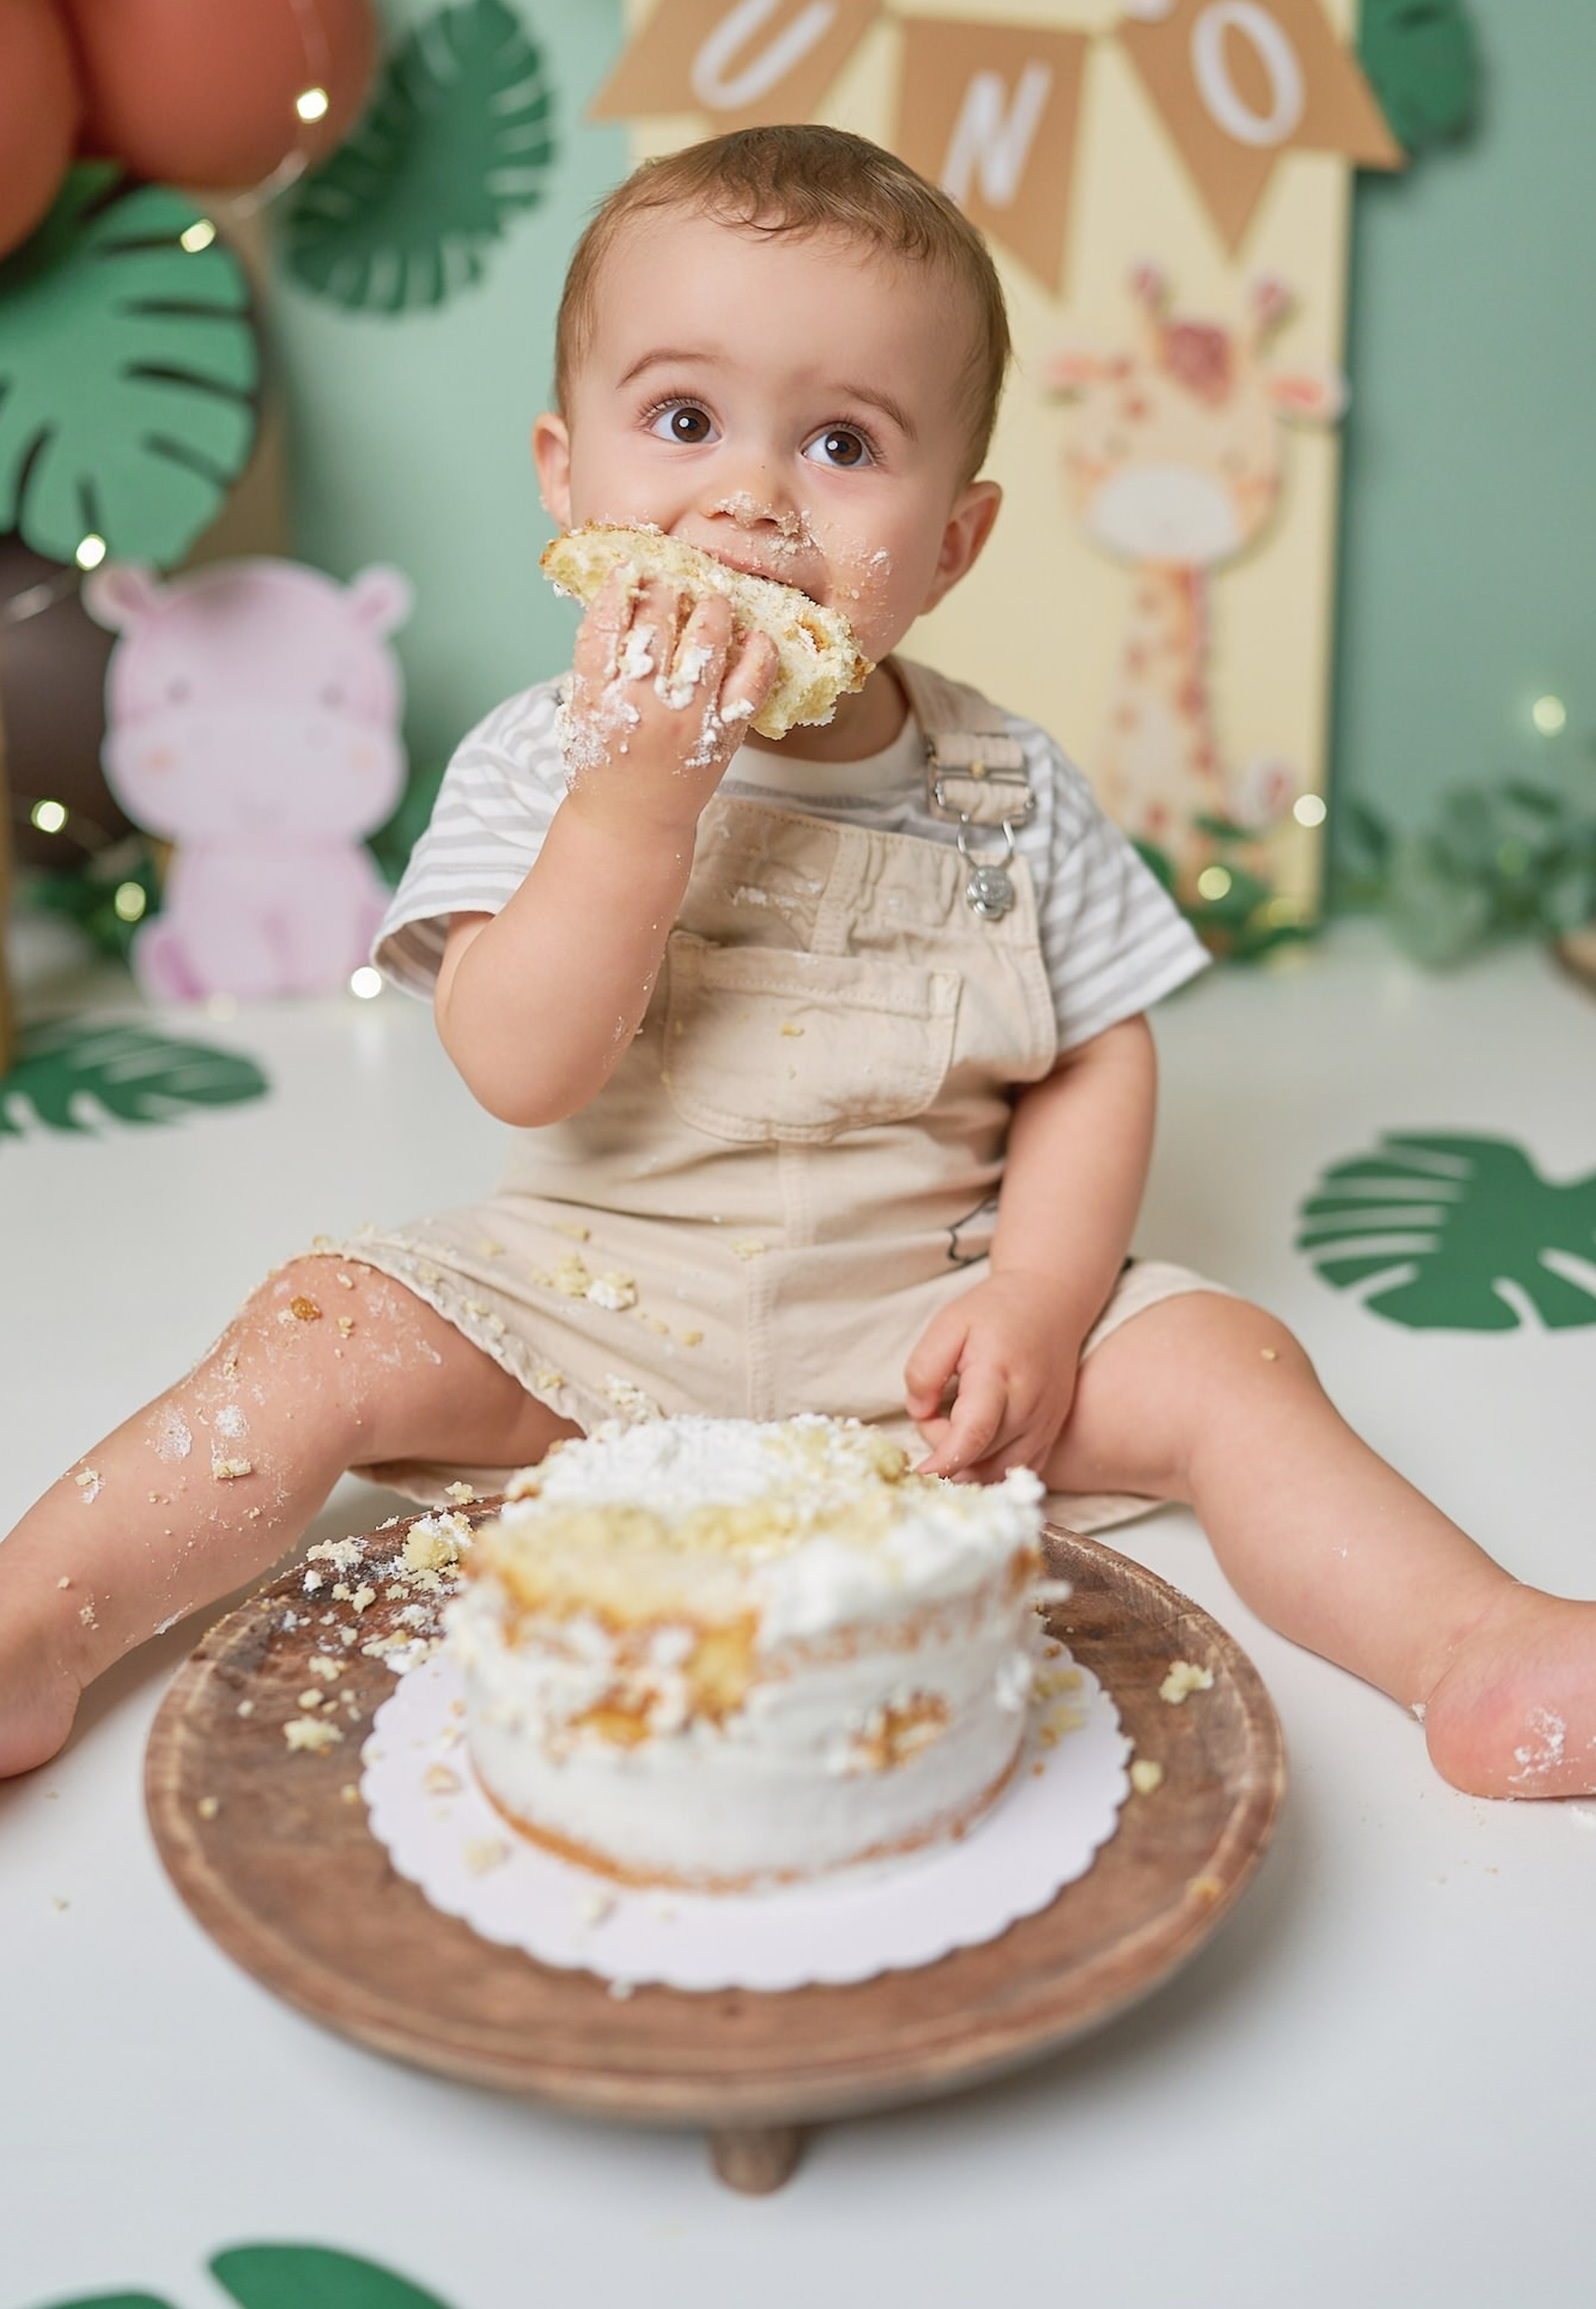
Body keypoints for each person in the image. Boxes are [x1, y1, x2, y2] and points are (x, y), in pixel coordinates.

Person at [2, 124, 1591, 1799]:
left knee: (1231, 1367)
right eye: (683, 421)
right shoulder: (546, 758)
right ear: (566, 472)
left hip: (931, 1326)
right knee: (313, 1330)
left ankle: (1468, 1644)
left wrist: (1044, 1302)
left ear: (956, 542)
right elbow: (517, 1064)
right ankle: (38, 1622)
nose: (751, 496)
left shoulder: (1006, 784)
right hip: (584, 1320)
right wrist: (635, 805)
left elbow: (1098, 1055)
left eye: (843, 442)